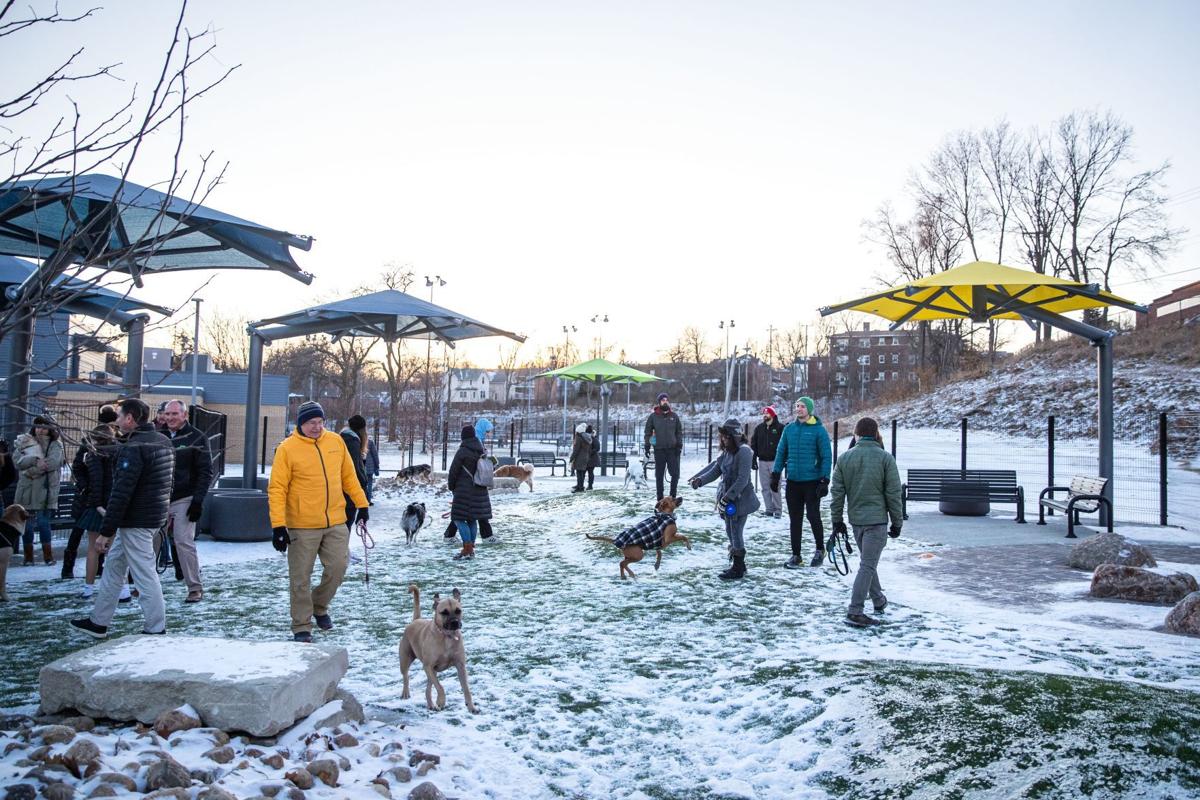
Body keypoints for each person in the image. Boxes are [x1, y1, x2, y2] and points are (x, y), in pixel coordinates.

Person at [69, 398, 174, 638]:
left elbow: (122, 492)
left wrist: (106, 531)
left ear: (130, 419)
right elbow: (168, 483)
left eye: (119, 416)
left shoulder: (134, 448)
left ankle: (155, 627)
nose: (116, 421)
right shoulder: (162, 441)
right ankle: (99, 622)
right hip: (147, 518)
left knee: (144, 574)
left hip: (136, 521)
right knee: (114, 569)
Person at [269, 401, 369, 642]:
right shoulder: (287, 449)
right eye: (311, 423)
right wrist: (278, 525)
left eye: (320, 422)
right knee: (300, 578)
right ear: (300, 424)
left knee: (338, 567)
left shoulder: (335, 442)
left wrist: (362, 504)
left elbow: (349, 477)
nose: (316, 427)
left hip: (335, 519)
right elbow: (277, 489)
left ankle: (318, 605)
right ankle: (302, 625)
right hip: (301, 525)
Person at [829, 417, 903, 628]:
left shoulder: (844, 459)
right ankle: (855, 610)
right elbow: (894, 494)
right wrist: (897, 522)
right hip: (877, 521)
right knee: (868, 565)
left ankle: (878, 600)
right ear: (876, 433)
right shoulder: (885, 459)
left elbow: (837, 494)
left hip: (856, 522)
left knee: (867, 564)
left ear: (857, 434)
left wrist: (837, 521)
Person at [690, 417, 759, 580]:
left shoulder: (744, 451)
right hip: (728, 498)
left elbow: (742, 479)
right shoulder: (727, 452)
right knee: (730, 529)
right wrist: (700, 481)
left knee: (735, 530)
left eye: (726, 436)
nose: (723, 439)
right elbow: (716, 470)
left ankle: (738, 567)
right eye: (722, 436)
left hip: (740, 498)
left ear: (734, 436)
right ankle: (739, 564)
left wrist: (727, 498)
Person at [160, 399, 213, 603]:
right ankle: (142, 584)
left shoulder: (196, 437)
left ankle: (194, 587)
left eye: (175, 414)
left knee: (183, 541)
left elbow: (205, 472)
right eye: (168, 414)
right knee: (151, 542)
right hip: (160, 497)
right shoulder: (159, 436)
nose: (171, 418)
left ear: (184, 415)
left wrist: (197, 501)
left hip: (185, 497)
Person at [771, 396, 832, 568]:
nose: (799, 409)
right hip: (793, 482)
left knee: (813, 516)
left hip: (812, 482)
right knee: (795, 519)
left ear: (810, 409)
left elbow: (826, 456)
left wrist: (824, 479)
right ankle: (796, 555)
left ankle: (820, 549)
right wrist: (776, 473)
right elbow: (781, 451)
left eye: (802, 406)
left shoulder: (819, 430)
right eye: (797, 406)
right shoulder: (789, 429)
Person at [77, 419, 120, 599]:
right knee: (114, 550)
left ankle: (88, 588)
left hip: (97, 506)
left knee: (94, 549)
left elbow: (96, 482)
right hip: (115, 504)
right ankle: (119, 588)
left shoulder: (93, 454)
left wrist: (97, 504)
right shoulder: (119, 452)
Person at [14, 416, 64, 566]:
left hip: (45, 490)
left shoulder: (55, 445)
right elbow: (17, 461)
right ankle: (28, 557)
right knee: (27, 525)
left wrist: (30, 471)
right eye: (38, 427)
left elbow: (52, 462)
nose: (40, 430)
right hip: (26, 490)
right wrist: (36, 461)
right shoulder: (25, 441)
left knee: (43, 523)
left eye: (44, 427)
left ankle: (48, 556)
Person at [447, 425, 491, 560]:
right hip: (480, 489)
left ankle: (467, 548)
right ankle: (471, 550)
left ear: (463, 437)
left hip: (464, 490)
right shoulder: (481, 450)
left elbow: (453, 471)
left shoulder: (463, 451)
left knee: (458, 518)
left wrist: (451, 486)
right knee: (472, 519)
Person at [644, 393, 683, 501]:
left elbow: (679, 432)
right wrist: (647, 445)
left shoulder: (674, 416)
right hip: (659, 450)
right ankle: (660, 498)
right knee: (659, 475)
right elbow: (648, 432)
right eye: (662, 400)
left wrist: (679, 444)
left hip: (672, 450)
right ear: (659, 402)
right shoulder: (653, 417)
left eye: (666, 400)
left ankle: (672, 497)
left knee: (675, 474)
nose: (665, 401)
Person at [750, 407, 785, 519]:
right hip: (762, 462)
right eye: (764, 413)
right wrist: (753, 459)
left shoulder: (780, 428)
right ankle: (769, 510)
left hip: (775, 461)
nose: (765, 415)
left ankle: (778, 510)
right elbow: (753, 444)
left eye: (767, 413)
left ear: (772, 415)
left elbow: (785, 445)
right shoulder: (759, 428)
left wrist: (783, 460)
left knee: (775, 486)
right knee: (765, 487)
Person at [340, 415, 371, 532]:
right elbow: (354, 471)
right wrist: (364, 493)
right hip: (348, 495)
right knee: (344, 528)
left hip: (341, 492)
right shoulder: (352, 442)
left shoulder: (342, 438)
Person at [568, 423, 591, 493]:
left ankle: (580, 488)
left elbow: (576, 450)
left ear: (578, 431)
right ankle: (580, 486)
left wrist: (571, 458)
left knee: (579, 473)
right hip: (585, 457)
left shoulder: (578, 438)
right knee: (582, 473)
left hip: (579, 458)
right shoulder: (587, 437)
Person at [586, 423, 600, 490]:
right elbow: (597, 448)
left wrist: (589, 452)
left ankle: (590, 485)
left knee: (590, 472)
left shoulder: (593, 439)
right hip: (592, 459)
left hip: (591, 458)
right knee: (590, 472)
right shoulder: (594, 439)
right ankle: (590, 485)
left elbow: (597, 448)